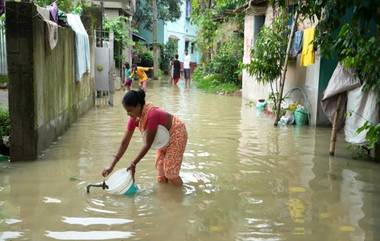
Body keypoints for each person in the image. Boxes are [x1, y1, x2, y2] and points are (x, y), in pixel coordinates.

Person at [102, 89, 188, 186]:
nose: (128, 114)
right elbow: (124, 142)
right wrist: (112, 165)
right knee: (161, 173)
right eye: (126, 111)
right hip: (162, 139)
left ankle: (180, 196)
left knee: (170, 173)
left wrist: (133, 163)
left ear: (138, 106)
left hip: (177, 134)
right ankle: (166, 198)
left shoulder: (152, 115)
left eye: (130, 110)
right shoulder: (134, 118)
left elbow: (147, 144)